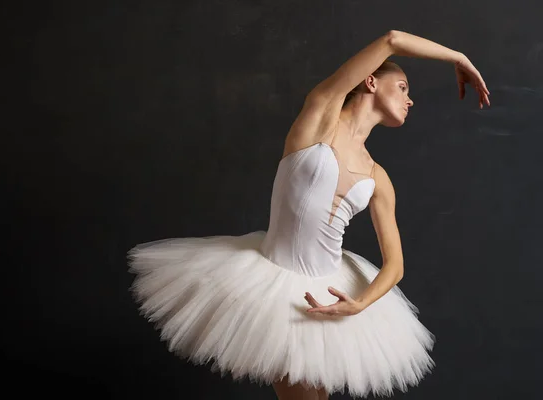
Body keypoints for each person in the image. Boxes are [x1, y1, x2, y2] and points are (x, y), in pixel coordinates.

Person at [128, 30, 490, 400]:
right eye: (401, 87)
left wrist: (359, 304)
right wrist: (458, 57)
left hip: (330, 289)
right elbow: (393, 40)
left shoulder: (378, 177)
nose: (409, 100)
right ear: (369, 81)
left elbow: (395, 265)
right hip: (274, 288)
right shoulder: (320, 116)